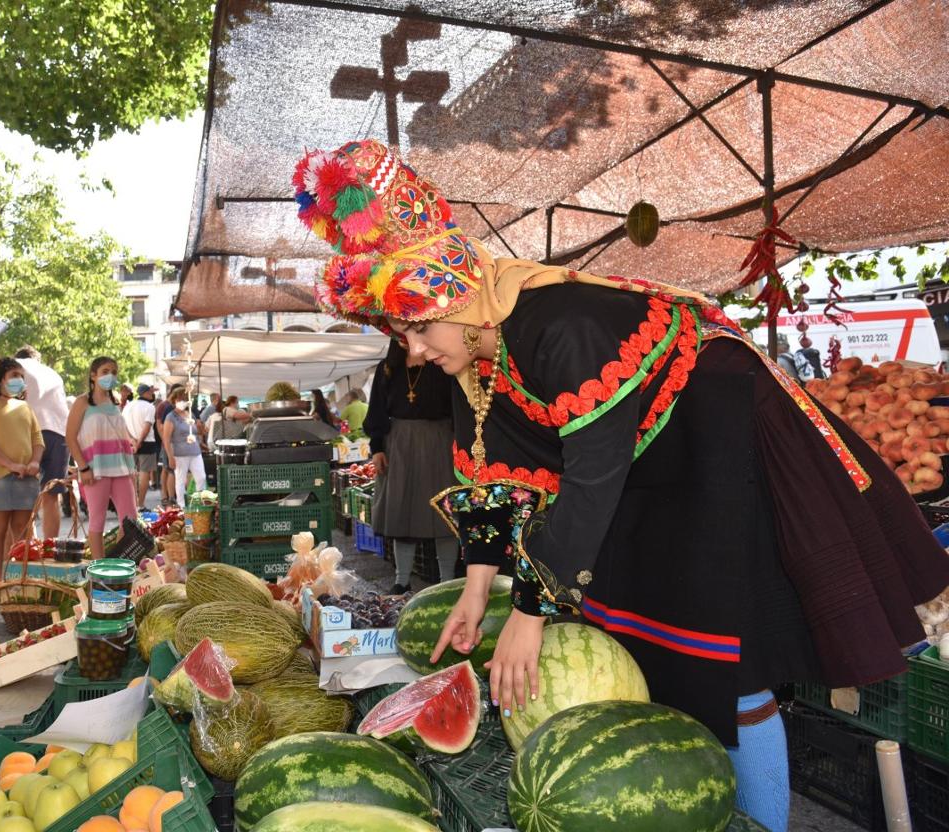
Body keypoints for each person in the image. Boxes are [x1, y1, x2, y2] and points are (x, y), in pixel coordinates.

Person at [299, 139, 949, 832]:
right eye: (402, 336)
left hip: (720, 444)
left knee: (728, 662)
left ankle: (765, 820)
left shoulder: (564, 326)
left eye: (420, 328)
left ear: (464, 298)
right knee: (652, 641)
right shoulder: (471, 361)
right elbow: (494, 480)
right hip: (647, 466)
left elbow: (591, 480)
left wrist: (529, 613)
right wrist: (481, 586)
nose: (416, 351)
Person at [365, 339, 458, 593]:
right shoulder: (387, 367)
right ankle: (401, 580)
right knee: (402, 511)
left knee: (445, 512)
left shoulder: (440, 360)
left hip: (440, 441)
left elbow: (458, 405)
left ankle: (448, 582)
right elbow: (376, 410)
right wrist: (377, 447)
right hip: (399, 443)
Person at [0, 357, 45, 581]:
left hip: (26, 479)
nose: (19, 381)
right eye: (14, 376)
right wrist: (11, 465)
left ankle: (24, 578)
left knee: (24, 531)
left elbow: (37, 439)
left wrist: (34, 462)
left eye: (21, 377)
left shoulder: (25, 407)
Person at [66, 357, 139, 557]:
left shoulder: (115, 402)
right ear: (93, 375)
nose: (111, 376)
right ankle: (99, 571)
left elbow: (122, 438)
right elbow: (70, 437)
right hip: (94, 470)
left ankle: (120, 562)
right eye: (105, 371)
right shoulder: (82, 402)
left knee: (130, 521)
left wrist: (131, 469)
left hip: (121, 469)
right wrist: (83, 468)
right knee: (97, 521)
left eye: (114, 372)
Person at [13, 346, 69, 538]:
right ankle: (49, 547)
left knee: (22, 497)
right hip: (59, 434)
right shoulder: (53, 373)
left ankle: (26, 550)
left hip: (29, 432)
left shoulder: (16, 365)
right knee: (51, 496)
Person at [164, 387, 208, 507]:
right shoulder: (170, 417)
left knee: (201, 477)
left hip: (195, 452)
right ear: (175, 400)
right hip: (179, 454)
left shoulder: (190, 414)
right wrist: (170, 457)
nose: (183, 400)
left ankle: (200, 502)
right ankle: (182, 505)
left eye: (185, 398)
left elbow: (199, 433)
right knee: (180, 480)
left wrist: (200, 427)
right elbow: (166, 438)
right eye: (181, 398)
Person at [124, 383, 159, 508]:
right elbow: (147, 426)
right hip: (146, 443)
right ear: (146, 392)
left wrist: (132, 440)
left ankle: (132, 503)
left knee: (132, 474)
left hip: (130, 443)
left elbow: (123, 426)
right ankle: (140, 504)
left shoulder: (128, 406)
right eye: (151, 391)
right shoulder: (149, 407)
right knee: (144, 473)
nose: (152, 393)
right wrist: (138, 442)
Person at [156, 384, 184, 506]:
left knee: (167, 470)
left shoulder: (168, 407)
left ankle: (168, 496)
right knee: (170, 470)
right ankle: (170, 497)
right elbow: (160, 426)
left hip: (171, 444)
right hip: (170, 444)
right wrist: (166, 442)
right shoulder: (167, 407)